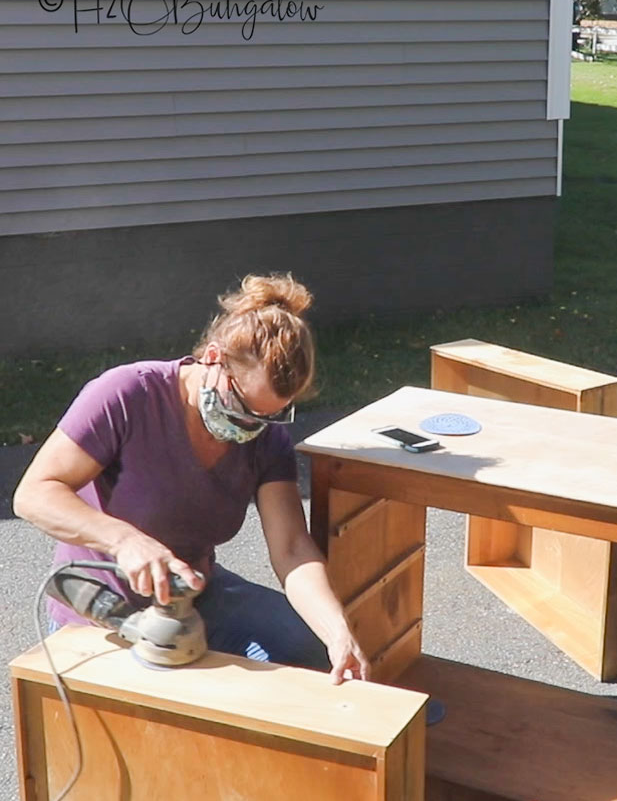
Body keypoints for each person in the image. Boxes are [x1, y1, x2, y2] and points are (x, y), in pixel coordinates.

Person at [13, 274, 370, 684]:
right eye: (242, 409)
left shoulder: (266, 440)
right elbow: (34, 493)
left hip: (193, 600)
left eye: (271, 415)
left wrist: (336, 631)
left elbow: (291, 548)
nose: (251, 426)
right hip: (102, 609)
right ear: (213, 358)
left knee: (307, 647)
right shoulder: (128, 394)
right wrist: (124, 540)